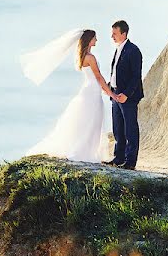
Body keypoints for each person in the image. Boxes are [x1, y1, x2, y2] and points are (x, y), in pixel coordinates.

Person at [20, 29, 116, 162]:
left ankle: (87, 151)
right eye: (95, 38)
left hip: (88, 90)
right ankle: (85, 153)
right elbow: (98, 77)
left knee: (87, 123)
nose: (96, 40)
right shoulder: (90, 58)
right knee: (92, 123)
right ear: (89, 40)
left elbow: (97, 78)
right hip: (92, 93)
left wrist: (105, 90)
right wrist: (111, 93)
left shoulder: (83, 56)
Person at [102, 20, 143, 169]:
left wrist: (126, 94)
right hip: (115, 94)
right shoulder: (118, 48)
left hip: (128, 97)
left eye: (114, 33)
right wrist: (110, 87)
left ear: (123, 33)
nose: (112, 36)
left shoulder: (134, 50)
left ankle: (130, 162)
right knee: (118, 128)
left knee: (130, 129)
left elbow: (135, 76)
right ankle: (118, 158)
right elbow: (117, 72)